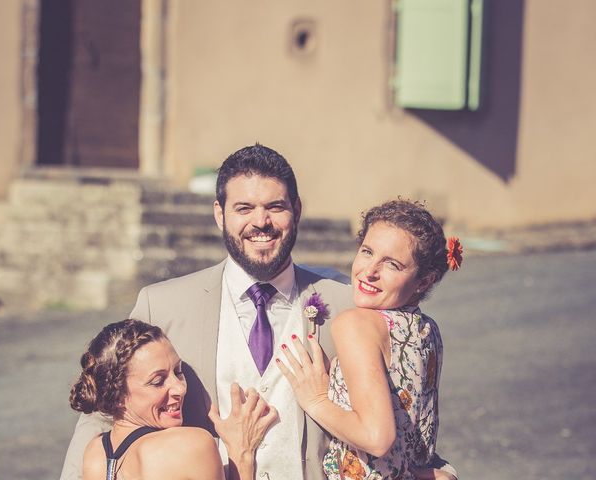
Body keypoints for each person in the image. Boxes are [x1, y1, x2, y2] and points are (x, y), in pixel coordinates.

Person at [60, 144, 354, 480]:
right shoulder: (163, 304)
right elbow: (106, 409)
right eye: (244, 208)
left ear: (297, 211)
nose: (261, 221)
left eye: (275, 206)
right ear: (220, 213)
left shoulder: (343, 304)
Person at [278, 200, 461, 479]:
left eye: (392, 264)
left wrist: (316, 401)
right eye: (367, 251)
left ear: (423, 282)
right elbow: (414, 453)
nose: (370, 271)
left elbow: (377, 438)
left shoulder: (356, 324)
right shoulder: (428, 330)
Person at [69, 319, 276, 480]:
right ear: (118, 396)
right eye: (157, 381)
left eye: (178, 371)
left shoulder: (96, 454)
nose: (179, 388)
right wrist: (242, 454)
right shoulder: (189, 445)